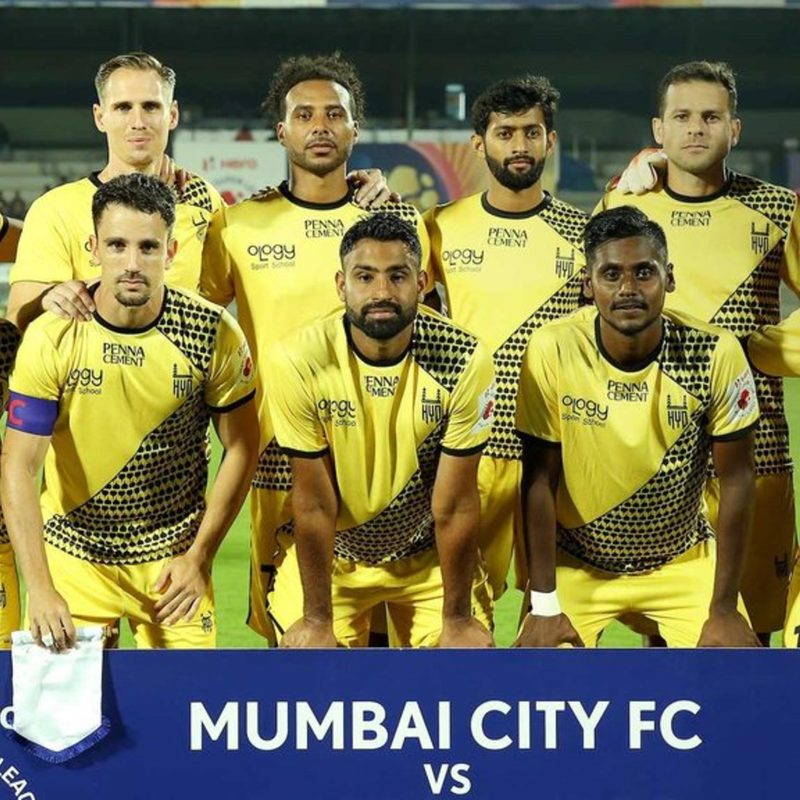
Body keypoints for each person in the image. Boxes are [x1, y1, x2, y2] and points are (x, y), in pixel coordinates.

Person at [201, 53, 429, 644]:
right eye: (304, 115)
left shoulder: (400, 223)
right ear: (282, 132)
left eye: (334, 114)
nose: (320, 126)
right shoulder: (237, 226)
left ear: (355, 129)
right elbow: (194, 323)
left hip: (382, 459)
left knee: (386, 634)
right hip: (276, 456)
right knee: (294, 633)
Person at [0, 174, 259, 650]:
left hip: (173, 563)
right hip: (73, 555)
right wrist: (41, 587)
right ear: (93, 248)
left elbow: (242, 447)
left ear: (171, 252)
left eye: (148, 247)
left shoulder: (212, 332)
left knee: (186, 697)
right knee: (68, 699)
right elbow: (19, 464)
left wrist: (200, 557)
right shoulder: (52, 336)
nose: (132, 264)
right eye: (117, 246)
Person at [598, 61, 799, 645]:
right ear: (658, 130)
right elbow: (589, 317)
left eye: (711, 117)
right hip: (650, 454)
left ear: (734, 129)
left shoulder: (780, 209)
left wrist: (758, 350)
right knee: (663, 629)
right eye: (682, 116)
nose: (695, 129)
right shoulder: (624, 209)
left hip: (758, 449)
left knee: (751, 634)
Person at [514, 206, 760, 648]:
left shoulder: (715, 352)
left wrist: (724, 608)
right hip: (577, 563)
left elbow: (738, 479)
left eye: (643, 272)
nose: (628, 288)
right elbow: (538, 481)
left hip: (682, 560)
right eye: (611, 274)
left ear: (669, 277)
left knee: (736, 677)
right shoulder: (553, 348)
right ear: (587, 284)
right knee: (540, 679)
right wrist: (545, 606)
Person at [263, 213, 494, 648]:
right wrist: (316, 619)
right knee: (311, 667)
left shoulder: (464, 358)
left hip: (426, 558)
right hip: (336, 556)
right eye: (365, 277)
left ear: (422, 283)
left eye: (397, 276)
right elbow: (314, 503)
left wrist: (458, 618)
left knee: (460, 667)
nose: (382, 292)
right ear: (341, 285)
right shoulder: (297, 359)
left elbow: (456, 505)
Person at [424, 76, 586, 603]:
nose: (520, 145)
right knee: (465, 608)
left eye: (532, 132)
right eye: (505, 133)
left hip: (560, 447)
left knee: (560, 608)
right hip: (474, 448)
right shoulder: (439, 227)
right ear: (479, 144)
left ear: (550, 141)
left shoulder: (586, 234)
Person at [7, 52, 223, 333]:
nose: (138, 121)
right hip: (87, 362)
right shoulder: (54, 209)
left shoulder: (201, 199)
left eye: (151, 107)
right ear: (100, 117)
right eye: (123, 107)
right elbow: (16, 320)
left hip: (179, 362)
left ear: (172, 115)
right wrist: (46, 300)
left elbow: (220, 301)